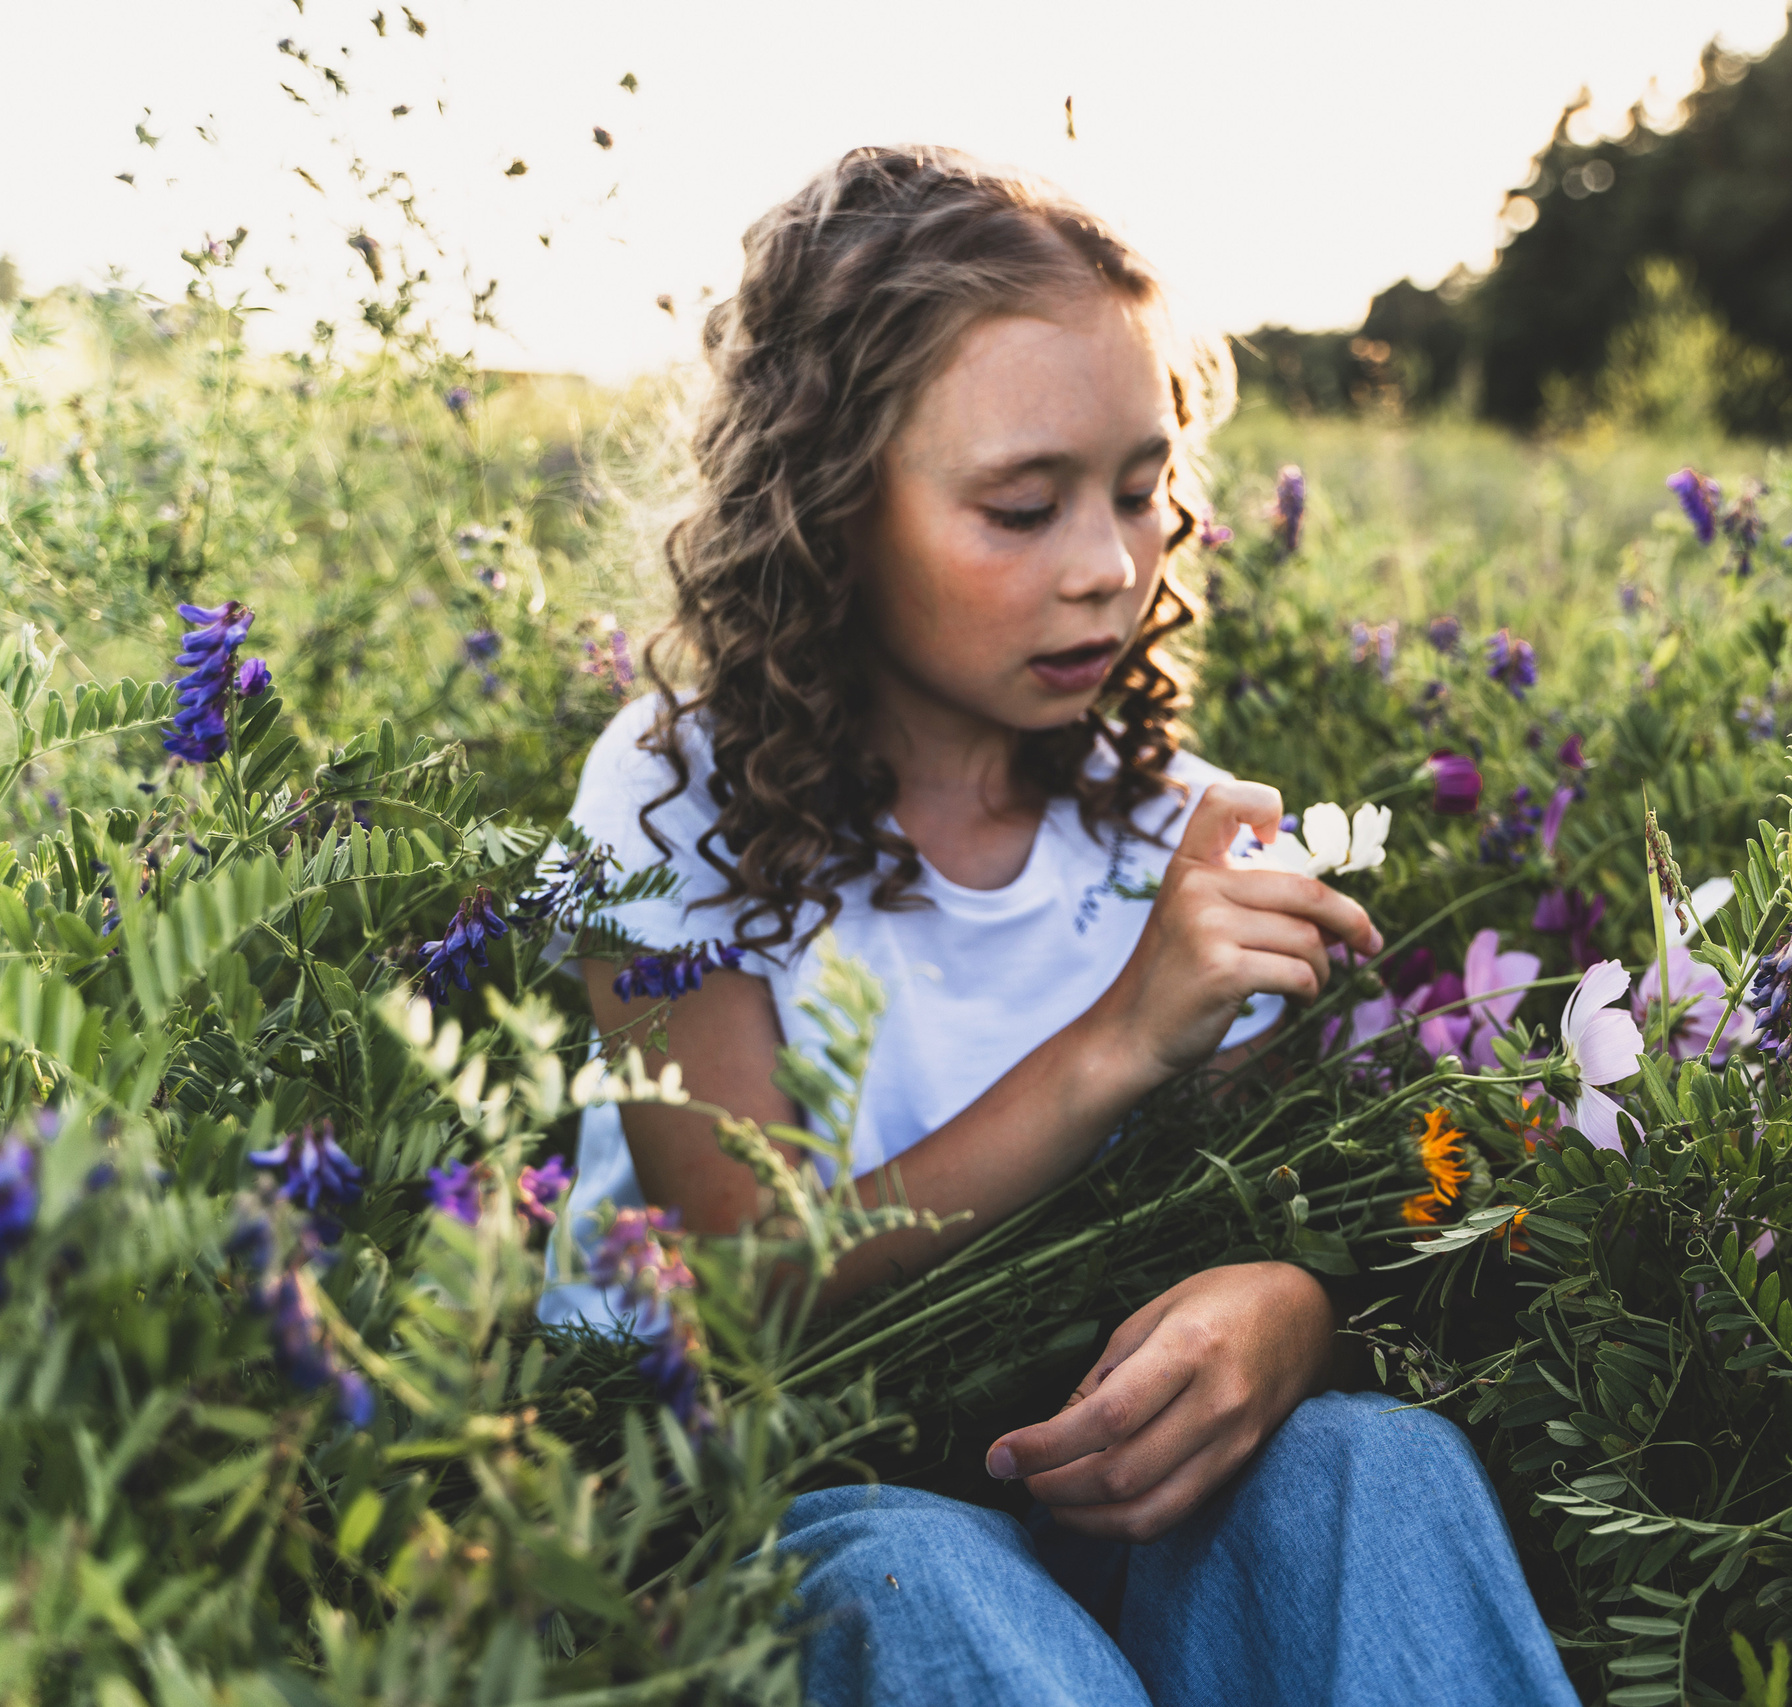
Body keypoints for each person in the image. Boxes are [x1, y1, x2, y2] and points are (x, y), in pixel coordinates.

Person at [542, 146, 1576, 1707]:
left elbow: (1248, 1207)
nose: (1108, 568)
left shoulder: (1187, 831)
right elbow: (740, 1285)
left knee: (1374, 1466)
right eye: (1021, 508)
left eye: (1144, 491)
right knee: (921, 1569)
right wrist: (1116, 1044)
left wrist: (1287, 1313)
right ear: (830, 513)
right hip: (753, 1501)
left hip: (1091, 1502)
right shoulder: (673, 792)